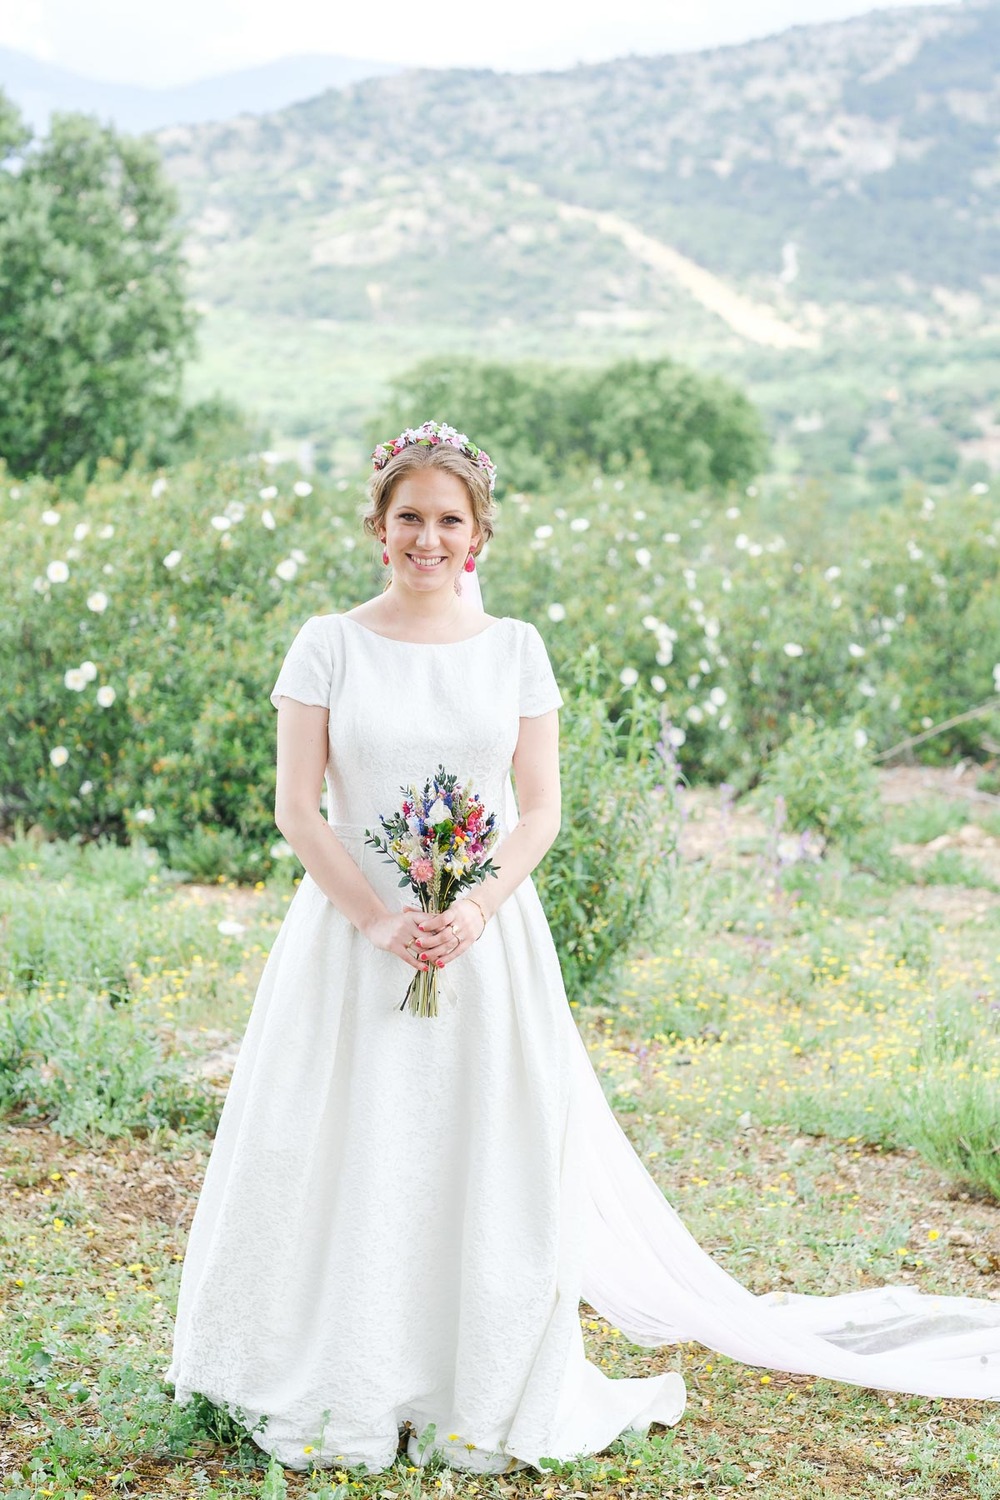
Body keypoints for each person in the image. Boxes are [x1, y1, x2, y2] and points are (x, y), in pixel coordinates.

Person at [165, 421, 1000, 1478]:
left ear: (478, 536)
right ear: (378, 528)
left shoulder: (515, 648)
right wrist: (379, 916)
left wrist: (473, 907)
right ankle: (339, 1374)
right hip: (350, 939)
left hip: (486, 945)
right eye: (408, 517)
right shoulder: (327, 643)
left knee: (482, 1158)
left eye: (449, 520)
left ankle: (473, 1381)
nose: (428, 537)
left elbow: (540, 810)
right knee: (341, 1150)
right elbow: (296, 807)